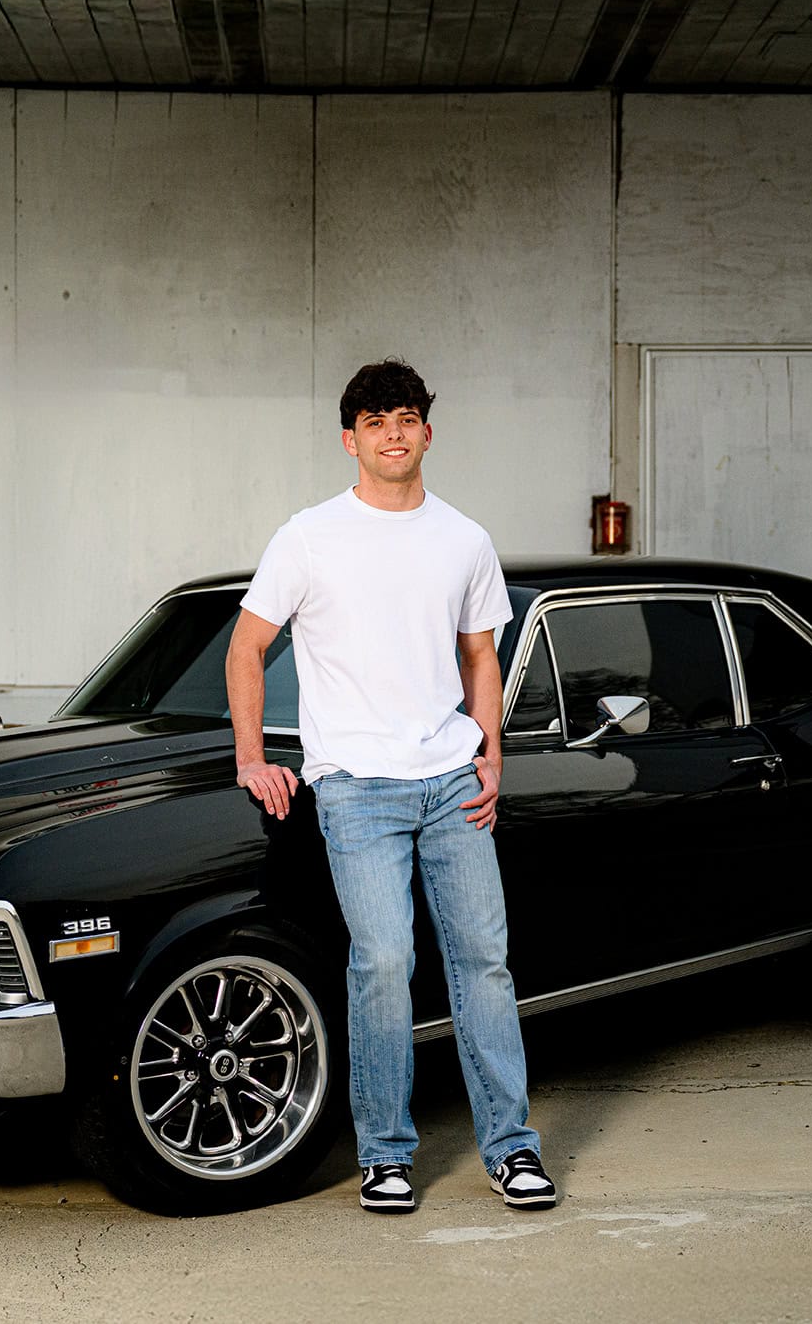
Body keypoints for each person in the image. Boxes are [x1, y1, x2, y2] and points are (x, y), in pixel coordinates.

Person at [225, 358, 556, 1214]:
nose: (394, 432)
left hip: (451, 780)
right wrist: (251, 757)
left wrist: (492, 754)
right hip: (356, 787)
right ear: (351, 439)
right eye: (376, 421)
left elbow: (480, 656)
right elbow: (246, 646)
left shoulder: (464, 539)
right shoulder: (309, 536)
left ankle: (512, 1148)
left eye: (407, 417)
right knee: (383, 960)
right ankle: (385, 1153)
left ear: (427, 432)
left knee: (484, 962)